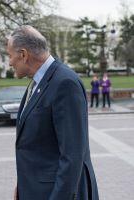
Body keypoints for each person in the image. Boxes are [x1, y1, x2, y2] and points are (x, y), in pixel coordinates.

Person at [7, 25, 99, 200]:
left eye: (10, 55)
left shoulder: (65, 83)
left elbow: (72, 156)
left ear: (24, 55)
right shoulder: (38, 82)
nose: (10, 62)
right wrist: (23, 186)